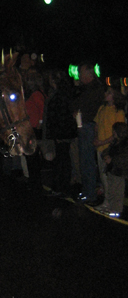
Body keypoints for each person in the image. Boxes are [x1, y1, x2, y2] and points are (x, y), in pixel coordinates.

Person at [72, 62, 104, 203]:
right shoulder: (87, 89)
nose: (79, 75)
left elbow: (86, 107)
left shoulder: (95, 89)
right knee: (85, 160)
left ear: (89, 75)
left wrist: (79, 113)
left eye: (82, 73)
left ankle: (90, 193)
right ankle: (88, 190)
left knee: (87, 161)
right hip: (84, 125)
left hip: (89, 126)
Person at [42, 69, 78, 197]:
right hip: (62, 132)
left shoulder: (60, 96)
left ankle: (60, 186)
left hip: (61, 133)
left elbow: (60, 116)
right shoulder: (62, 94)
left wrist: (58, 134)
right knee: (63, 159)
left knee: (62, 160)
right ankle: (62, 185)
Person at [93, 86, 126, 213]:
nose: (106, 94)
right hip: (101, 148)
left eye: (109, 93)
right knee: (103, 177)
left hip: (111, 149)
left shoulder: (118, 112)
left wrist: (103, 142)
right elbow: (97, 125)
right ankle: (107, 202)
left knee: (111, 179)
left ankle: (111, 204)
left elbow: (118, 133)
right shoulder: (102, 108)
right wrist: (96, 139)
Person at [101, 121, 128, 217]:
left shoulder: (125, 144)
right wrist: (105, 156)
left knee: (118, 192)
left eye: (114, 131)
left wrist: (112, 160)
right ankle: (111, 207)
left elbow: (124, 158)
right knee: (111, 190)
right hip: (112, 170)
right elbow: (105, 151)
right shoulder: (114, 142)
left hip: (119, 171)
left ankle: (116, 210)